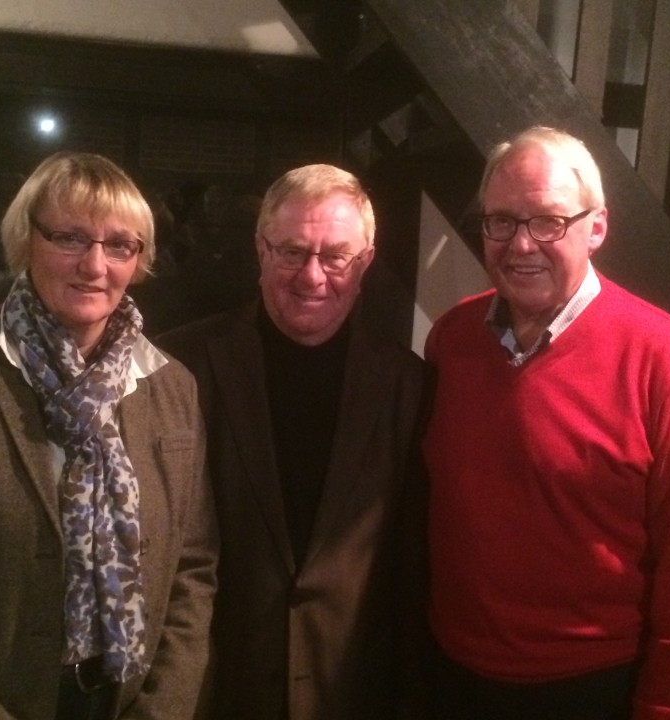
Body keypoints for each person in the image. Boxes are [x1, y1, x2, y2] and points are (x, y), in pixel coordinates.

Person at [421, 126, 670, 719]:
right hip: (454, 678)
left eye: (547, 222)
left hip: (594, 691)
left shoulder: (660, 356)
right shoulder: (452, 338)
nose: (521, 245)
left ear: (596, 227)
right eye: (501, 221)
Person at [0, 151, 218, 720]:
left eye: (120, 245)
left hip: (122, 702)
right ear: (25, 241)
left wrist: (161, 711)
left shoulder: (170, 385)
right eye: (69, 237)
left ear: (139, 260)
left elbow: (192, 567)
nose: (95, 264)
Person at [157, 163, 426, 720]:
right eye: (293, 252)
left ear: (366, 262)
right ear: (260, 249)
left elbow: (413, 562)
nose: (312, 276)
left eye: (335, 256)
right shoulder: (177, 368)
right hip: (213, 689)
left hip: (354, 692)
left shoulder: (410, 384)